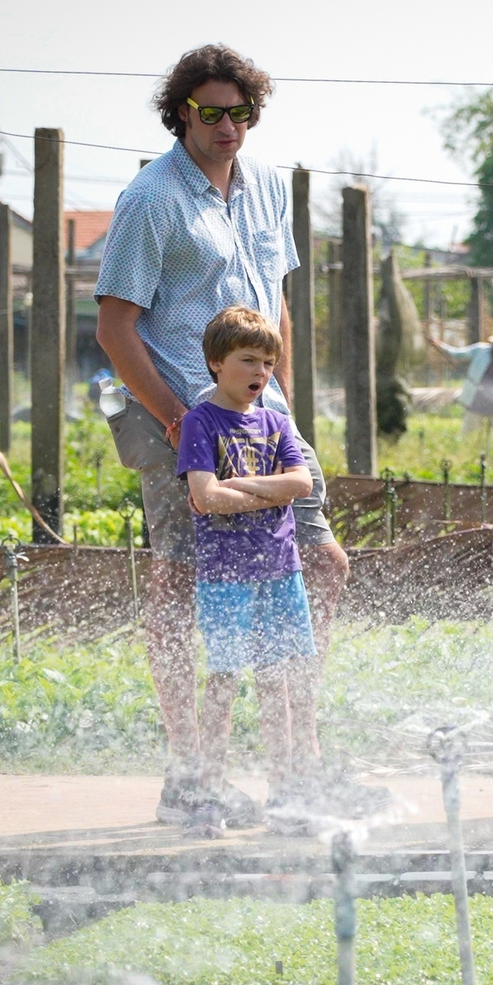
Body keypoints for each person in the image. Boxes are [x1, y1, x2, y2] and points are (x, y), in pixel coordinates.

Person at [95, 44, 359, 828]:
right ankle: (191, 775)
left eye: (241, 112)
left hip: (264, 414)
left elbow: (275, 305)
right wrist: (180, 418)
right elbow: (116, 329)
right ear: (180, 112)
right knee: (183, 583)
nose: (227, 125)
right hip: (178, 414)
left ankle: (294, 765)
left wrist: (276, 404)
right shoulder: (151, 199)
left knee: (320, 561)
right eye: (210, 111)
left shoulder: (269, 187)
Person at [175, 308, 321, 837]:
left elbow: (301, 485)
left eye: (268, 362)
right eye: (248, 360)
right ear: (217, 363)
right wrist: (267, 485)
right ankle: (209, 795)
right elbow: (204, 497)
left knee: (275, 682)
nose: (260, 372)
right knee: (223, 683)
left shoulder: (276, 422)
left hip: (282, 571)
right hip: (227, 577)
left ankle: (283, 797)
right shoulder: (201, 422)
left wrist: (242, 488)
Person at [429, 327, 493, 440]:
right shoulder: (480, 350)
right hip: (476, 397)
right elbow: (458, 354)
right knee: (468, 433)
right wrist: (440, 345)